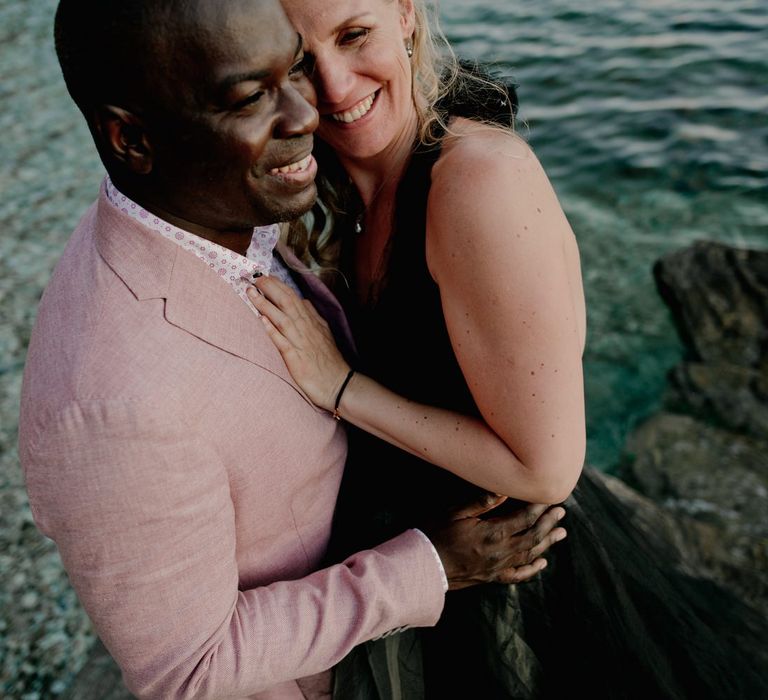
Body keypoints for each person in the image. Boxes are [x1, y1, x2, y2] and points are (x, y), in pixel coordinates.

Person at [18, 1, 569, 699]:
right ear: (131, 141)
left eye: (291, 69)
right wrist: (427, 567)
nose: (312, 111)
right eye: (251, 96)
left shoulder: (212, 211)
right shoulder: (108, 407)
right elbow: (187, 671)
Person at [248, 0, 768, 698]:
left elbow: (547, 469)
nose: (338, 88)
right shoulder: (350, 181)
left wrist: (339, 387)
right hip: (423, 562)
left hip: (512, 591)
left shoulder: (478, 181)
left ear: (405, 13)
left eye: (355, 34)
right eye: (305, 61)